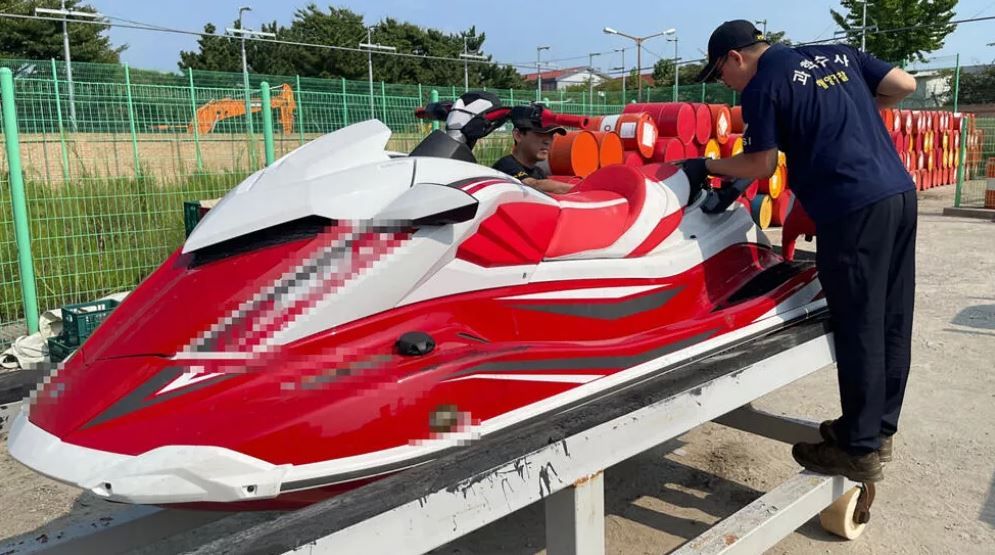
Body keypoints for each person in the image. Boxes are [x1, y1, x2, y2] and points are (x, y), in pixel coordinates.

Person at [682, 20, 918, 483]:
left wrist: (703, 164)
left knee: (859, 322)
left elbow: (761, 164)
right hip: (898, 194)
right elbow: (904, 85)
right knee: (893, 315)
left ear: (736, 57)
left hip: (851, 207)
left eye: (722, 74)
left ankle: (859, 448)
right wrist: (850, 110)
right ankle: (878, 429)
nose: (726, 85)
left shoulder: (763, 85)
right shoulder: (838, 54)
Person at [493, 106, 573, 194]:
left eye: (551, 135)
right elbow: (532, 185)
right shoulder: (505, 166)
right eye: (540, 133)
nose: (548, 141)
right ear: (518, 135)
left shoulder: (538, 172)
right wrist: (579, 189)